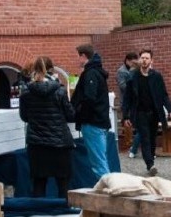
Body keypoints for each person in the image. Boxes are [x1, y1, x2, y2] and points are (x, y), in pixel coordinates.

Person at [19, 56, 75, 198]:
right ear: (51, 69)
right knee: (63, 183)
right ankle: (65, 214)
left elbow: (24, 117)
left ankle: (39, 215)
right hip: (59, 142)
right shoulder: (60, 91)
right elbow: (70, 116)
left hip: (36, 144)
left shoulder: (25, 93)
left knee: (39, 183)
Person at [122, 49, 171, 176]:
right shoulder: (133, 77)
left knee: (152, 138)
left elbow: (164, 95)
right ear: (140, 60)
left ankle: (150, 159)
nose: (144, 60)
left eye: (147, 58)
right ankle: (150, 164)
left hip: (154, 112)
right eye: (142, 58)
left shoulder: (157, 77)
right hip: (140, 113)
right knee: (145, 137)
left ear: (151, 60)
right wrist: (125, 116)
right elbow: (127, 98)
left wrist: (170, 110)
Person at [71, 44, 111, 181]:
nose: (77, 59)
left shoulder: (90, 74)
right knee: (101, 159)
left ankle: (108, 191)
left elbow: (89, 98)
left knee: (98, 163)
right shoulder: (97, 72)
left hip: (93, 123)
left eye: (77, 56)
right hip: (100, 122)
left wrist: (80, 114)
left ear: (83, 56)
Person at [116, 52, 141, 159]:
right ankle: (128, 145)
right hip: (127, 102)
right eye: (132, 61)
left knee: (135, 125)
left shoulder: (135, 70)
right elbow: (122, 86)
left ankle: (133, 145)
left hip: (134, 102)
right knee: (128, 124)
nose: (134, 63)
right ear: (127, 60)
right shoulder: (122, 71)